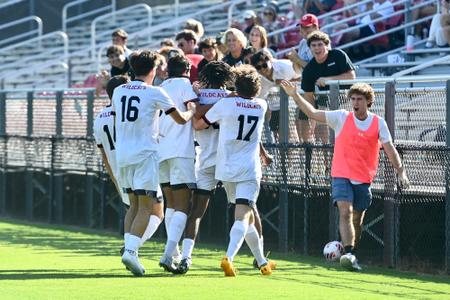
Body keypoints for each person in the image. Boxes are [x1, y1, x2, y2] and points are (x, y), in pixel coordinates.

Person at [280, 80, 410, 271]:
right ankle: (348, 253)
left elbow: (390, 149)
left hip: (364, 178)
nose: (355, 102)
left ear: (368, 102)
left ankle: (350, 251)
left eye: (360, 99)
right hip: (341, 174)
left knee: (356, 219)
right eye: (353, 99)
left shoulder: (378, 123)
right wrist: (294, 94)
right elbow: (312, 113)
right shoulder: (341, 117)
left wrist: (402, 172)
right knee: (345, 212)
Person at [112, 50, 196, 276]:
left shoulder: (119, 91)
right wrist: (192, 111)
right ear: (152, 69)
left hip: (123, 154)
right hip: (145, 154)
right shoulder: (154, 92)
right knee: (147, 207)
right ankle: (130, 251)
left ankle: (130, 250)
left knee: (134, 205)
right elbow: (179, 119)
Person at [195, 65, 274, 276]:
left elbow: (199, 125)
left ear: (235, 85)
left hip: (225, 167)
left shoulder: (225, 105)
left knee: (244, 217)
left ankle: (262, 262)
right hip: (248, 168)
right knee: (243, 216)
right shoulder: (262, 105)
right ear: (256, 88)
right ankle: (228, 258)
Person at [95, 75, 165, 257]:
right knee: (155, 211)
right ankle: (131, 248)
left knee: (134, 210)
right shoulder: (127, 116)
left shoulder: (99, 119)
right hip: (139, 162)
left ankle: (130, 248)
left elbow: (104, 156)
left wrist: (115, 180)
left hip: (120, 171)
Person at [174, 61, 234, 274]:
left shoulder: (198, 96)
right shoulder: (233, 97)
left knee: (196, 212)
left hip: (205, 159)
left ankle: (187, 256)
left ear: (206, 76)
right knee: (246, 207)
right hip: (229, 160)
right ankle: (259, 257)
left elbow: (196, 118)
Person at [158, 54, 199, 273]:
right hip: (181, 150)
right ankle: (168, 254)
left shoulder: (160, 86)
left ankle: (172, 253)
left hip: (160, 150)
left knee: (171, 204)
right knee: (184, 204)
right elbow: (194, 109)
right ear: (187, 70)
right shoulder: (185, 85)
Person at [300, 31, 355, 144]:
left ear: (326, 45)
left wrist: (328, 80)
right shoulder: (309, 69)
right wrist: (313, 117)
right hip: (324, 104)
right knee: (324, 137)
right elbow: (308, 95)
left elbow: (351, 77)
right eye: (313, 45)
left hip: (347, 101)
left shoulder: (338, 55)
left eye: (320, 44)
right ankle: (326, 158)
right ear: (310, 48)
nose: (317, 48)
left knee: (348, 136)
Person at [250, 50, 300, 142]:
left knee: (290, 134)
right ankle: (283, 156)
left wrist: (286, 82)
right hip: (275, 106)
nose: (262, 69)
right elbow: (257, 97)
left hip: (294, 102)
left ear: (270, 61)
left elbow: (303, 77)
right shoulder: (258, 77)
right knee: (278, 138)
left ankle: (295, 153)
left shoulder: (285, 67)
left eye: (264, 65)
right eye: (258, 67)